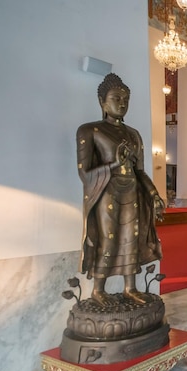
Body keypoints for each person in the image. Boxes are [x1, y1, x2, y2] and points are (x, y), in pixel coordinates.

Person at [76, 73, 165, 307]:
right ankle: (98, 289)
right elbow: (85, 174)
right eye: (116, 98)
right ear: (102, 102)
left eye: (126, 99)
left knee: (131, 239)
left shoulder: (134, 134)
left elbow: (140, 171)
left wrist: (154, 195)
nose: (122, 103)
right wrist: (115, 164)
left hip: (132, 192)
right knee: (108, 238)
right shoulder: (90, 131)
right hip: (107, 192)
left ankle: (130, 288)